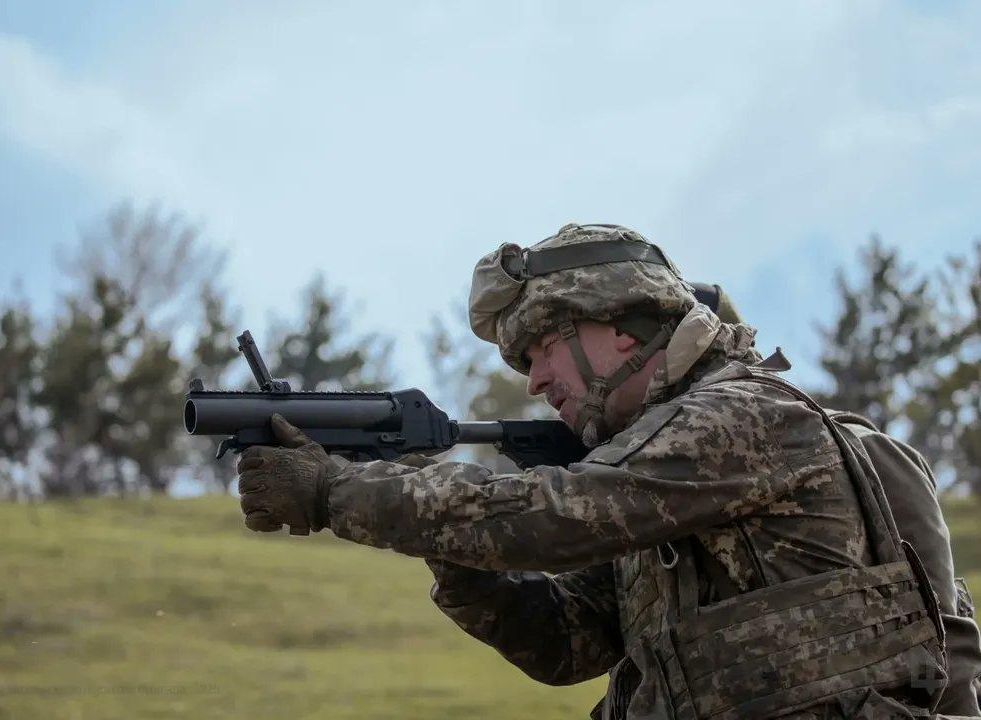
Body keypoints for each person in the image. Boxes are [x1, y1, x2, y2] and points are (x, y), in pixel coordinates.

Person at [236, 223, 976, 718]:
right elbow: (565, 643)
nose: (535, 380)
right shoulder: (658, 474)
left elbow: (560, 515)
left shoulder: (744, 417)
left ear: (622, 326)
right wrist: (446, 546)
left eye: (542, 348)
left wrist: (338, 491)